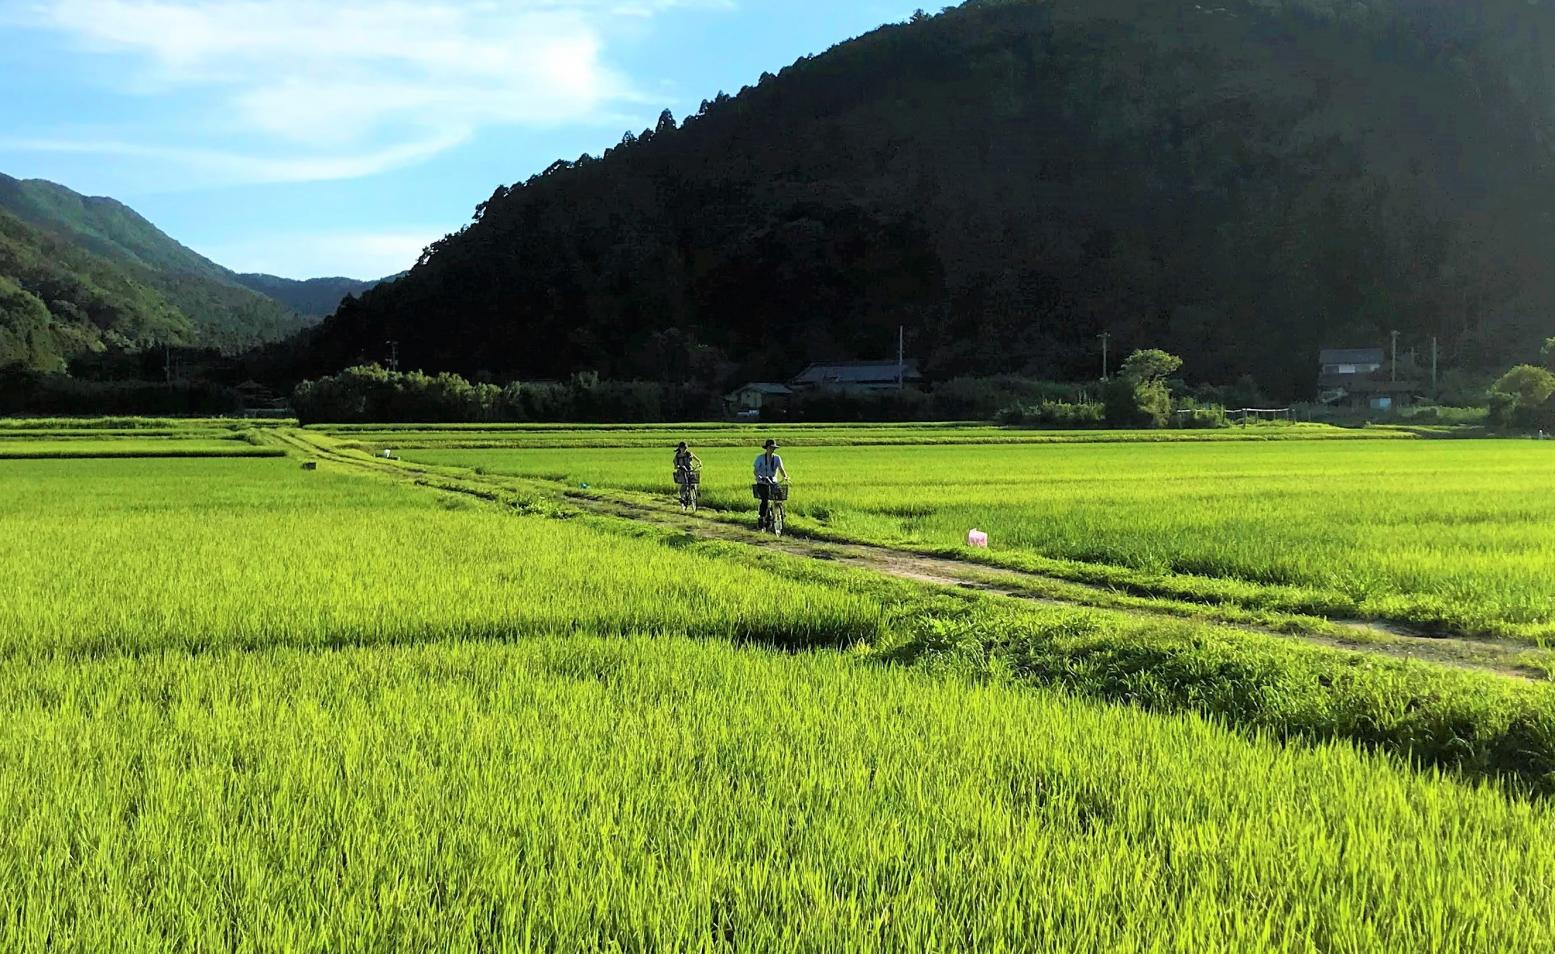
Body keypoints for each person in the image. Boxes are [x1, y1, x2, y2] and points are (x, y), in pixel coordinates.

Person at [752, 438, 790, 529]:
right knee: (764, 499)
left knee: (779, 496)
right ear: (767, 448)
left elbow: (781, 469)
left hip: (773, 482)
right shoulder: (760, 458)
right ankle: (761, 517)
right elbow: (756, 471)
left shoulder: (777, 458)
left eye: (774, 448)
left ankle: (779, 513)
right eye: (771, 447)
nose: (772, 449)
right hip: (762, 482)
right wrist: (759, 477)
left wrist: (785, 476)